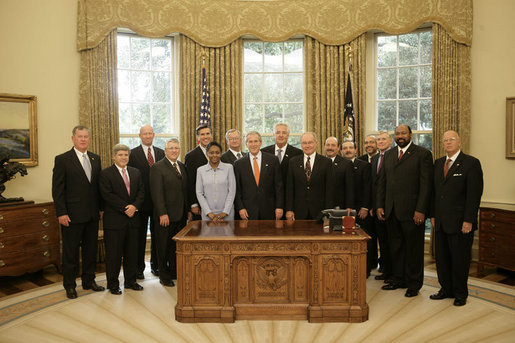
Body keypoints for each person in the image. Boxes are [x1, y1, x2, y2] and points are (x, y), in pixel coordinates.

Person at [377, 124, 433, 298]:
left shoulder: (422, 154)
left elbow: (426, 185)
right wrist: (380, 205)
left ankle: (413, 284)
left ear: (410, 135)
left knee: (413, 249)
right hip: (391, 210)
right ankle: (398, 279)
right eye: (397, 133)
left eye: (403, 133)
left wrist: (421, 210)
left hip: (412, 212)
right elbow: (382, 182)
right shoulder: (390, 154)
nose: (400, 136)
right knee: (396, 247)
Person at [430, 130, 483, 306]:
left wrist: (469, 220)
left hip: (461, 223)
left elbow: (474, 195)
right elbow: (434, 193)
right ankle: (445, 289)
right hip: (440, 222)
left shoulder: (471, 163)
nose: (448, 143)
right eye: (445, 140)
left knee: (460, 260)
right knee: (442, 259)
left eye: (451, 139)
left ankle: (460, 294)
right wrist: (433, 215)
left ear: (459, 142)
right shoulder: (438, 163)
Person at [52, 125, 105, 299]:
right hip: (71, 215)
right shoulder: (63, 159)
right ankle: (70, 285)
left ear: (89, 139)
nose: (83, 139)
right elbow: (57, 190)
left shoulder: (95, 159)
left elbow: (98, 188)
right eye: (80, 136)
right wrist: (61, 212)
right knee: (71, 252)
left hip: (92, 214)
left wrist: (101, 209)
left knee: (90, 250)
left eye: (86, 136)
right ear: (73, 138)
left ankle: (89, 280)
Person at [99, 144, 145, 295]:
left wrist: (135, 206)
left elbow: (141, 192)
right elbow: (107, 195)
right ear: (114, 156)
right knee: (114, 255)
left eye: (126, 155)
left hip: (133, 221)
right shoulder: (106, 174)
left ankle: (131, 282)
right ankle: (113, 284)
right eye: (120, 155)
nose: (123, 157)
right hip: (115, 221)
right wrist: (127, 208)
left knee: (132, 253)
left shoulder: (136, 172)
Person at [150, 139, 189, 287]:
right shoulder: (157, 167)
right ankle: (163, 275)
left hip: (180, 215)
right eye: (171, 148)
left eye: (176, 148)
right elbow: (156, 193)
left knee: (175, 247)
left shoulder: (181, 166)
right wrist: (162, 213)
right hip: (165, 216)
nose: (174, 150)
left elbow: (184, 190)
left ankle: (173, 271)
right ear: (165, 151)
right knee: (162, 246)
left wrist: (187, 211)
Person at [127, 125, 165, 278]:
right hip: (140, 203)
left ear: (154, 135)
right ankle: (138, 268)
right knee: (139, 237)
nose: (148, 136)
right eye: (145, 134)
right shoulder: (132, 153)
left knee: (158, 236)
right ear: (140, 135)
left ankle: (156, 266)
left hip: (158, 203)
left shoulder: (162, 152)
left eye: (150, 133)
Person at [234, 131, 283, 220]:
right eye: (250, 142)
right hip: (248, 211)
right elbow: (237, 189)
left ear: (260, 143)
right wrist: (240, 208)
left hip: (269, 209)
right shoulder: (238, 164)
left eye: (256, 141)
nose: (253, 144)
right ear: (246, 144)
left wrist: (279, 206)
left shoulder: (273, 160)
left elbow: (278, 186)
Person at [342, 141, 374, 276]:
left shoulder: (364, 166)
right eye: (345, 148)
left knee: (363, 241)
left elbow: (368, 188)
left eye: (350, 148)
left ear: (356, 150)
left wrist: (365, 207)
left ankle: (364, 271)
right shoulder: (338, 165)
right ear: (341, 150)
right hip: (343, 210)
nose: (348, 150)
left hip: (361, 210)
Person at [286, 132, 333, 220]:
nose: (307, 146)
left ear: (316, 143)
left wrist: (328, 211)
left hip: (320, 211)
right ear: (301, 144)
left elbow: (329, 189)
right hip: (299, 210)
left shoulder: (326, 162)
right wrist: (289, 209)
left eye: (310, 142)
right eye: (304, 143)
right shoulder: (293, 162)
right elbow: (290, 188)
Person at [371, 131, 393, 282]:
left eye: (384, 139)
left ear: (390, 142)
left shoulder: (394, 158)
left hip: (391, 207)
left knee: (392, 242)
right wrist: (375, 205)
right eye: (378, 139)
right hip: (377, 207)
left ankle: (393, 272)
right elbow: (374, 185)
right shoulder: (375, 159)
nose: (381, 141)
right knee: (383, 242)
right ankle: (385, 270)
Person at [196, 141, 237, 221]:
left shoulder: (229, 168)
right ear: (207, 154)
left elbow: (232, 192)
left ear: (221, 154)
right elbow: (199, 193)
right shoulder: (200, 170)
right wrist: (209, 213)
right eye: (211, 153)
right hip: (207, 215)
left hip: (227, 214)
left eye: (217, 152)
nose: (214, 155)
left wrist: (224, 212)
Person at [262, 123, 302, 201]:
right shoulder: (264, 152)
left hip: (290, 198)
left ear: (288, 135)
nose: (281, 135)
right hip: (269, 199)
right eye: (278, 132)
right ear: (273, 135)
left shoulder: (298, 153)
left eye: (284, 133)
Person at [185, 124, 213, 220]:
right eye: (202, 134)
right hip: (199, 204)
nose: (205, 137)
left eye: (207, 133)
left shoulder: (217, 153)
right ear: (198, 137)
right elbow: (190, 182)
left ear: (211, 135)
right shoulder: (191, 156)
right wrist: (193, 204)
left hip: (216, 203)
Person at [324, 136, 354, 211]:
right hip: (321, 206)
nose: (330, 147)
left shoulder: (346, 163)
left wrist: (349, 206)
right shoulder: (319, 162)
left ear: (338, 147)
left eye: (333, 145)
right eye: (327, 145)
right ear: (324, 146)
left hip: (339, 207)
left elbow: (350, 187)